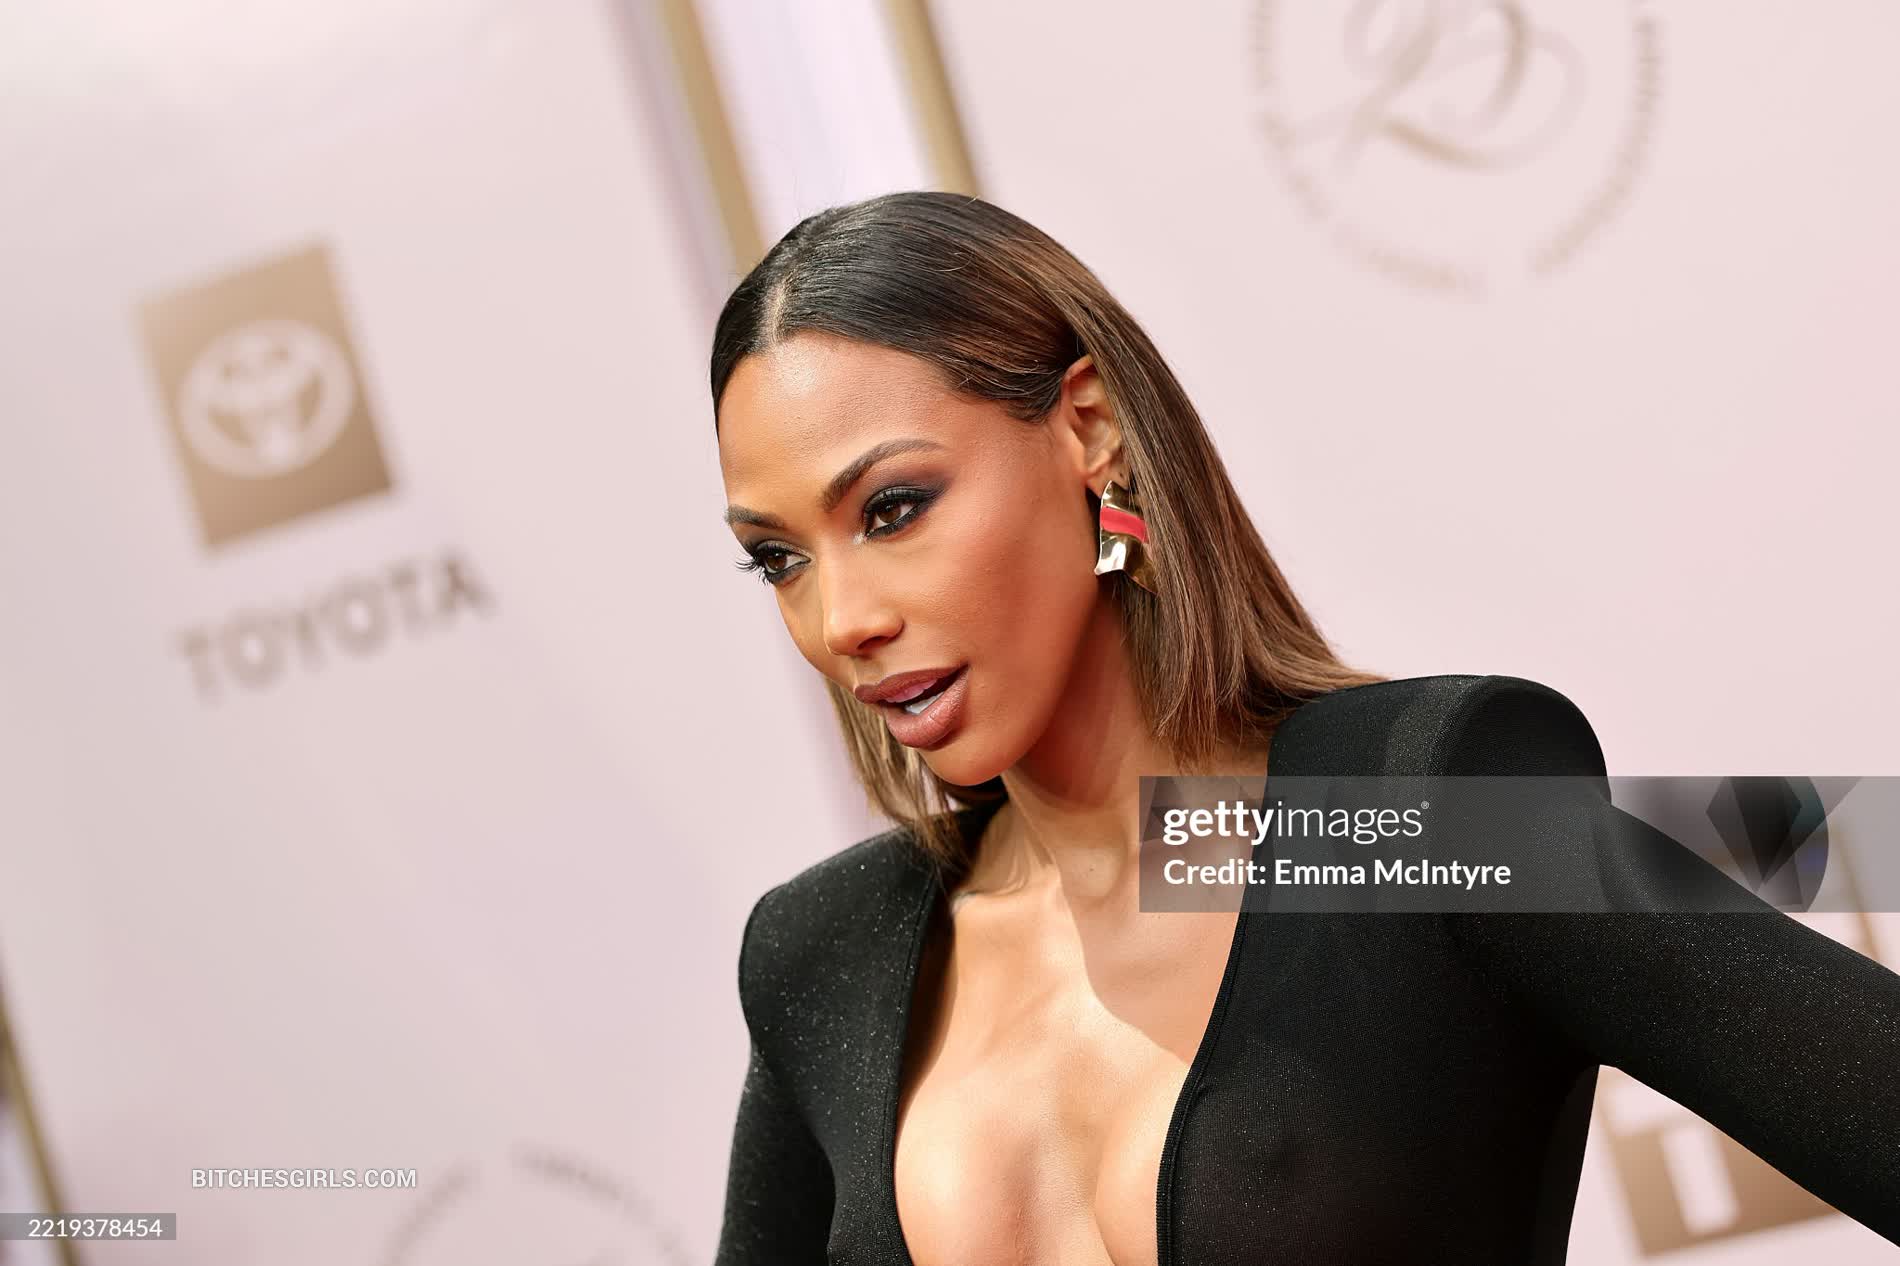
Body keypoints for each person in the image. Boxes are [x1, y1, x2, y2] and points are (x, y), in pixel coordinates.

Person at [708, 190, 1900, 1265]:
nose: (842, 620)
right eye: (779, 559)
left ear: (1089, 427)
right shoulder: (832, 954)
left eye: (893, 508)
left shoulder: (1392, 820)